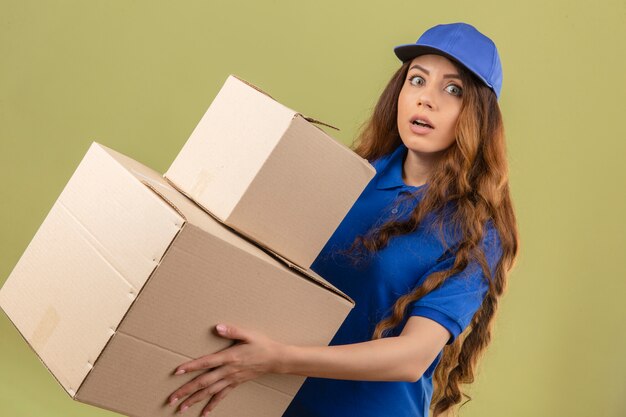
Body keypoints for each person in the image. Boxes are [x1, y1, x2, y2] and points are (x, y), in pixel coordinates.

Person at [167, 22, 519, 417]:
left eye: (452, 90)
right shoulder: (349, 179)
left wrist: (278, 359)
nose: (426, 100)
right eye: (417, 80)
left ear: (479, 117)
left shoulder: (475, 231)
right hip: (271, 400)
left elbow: (412, 357)